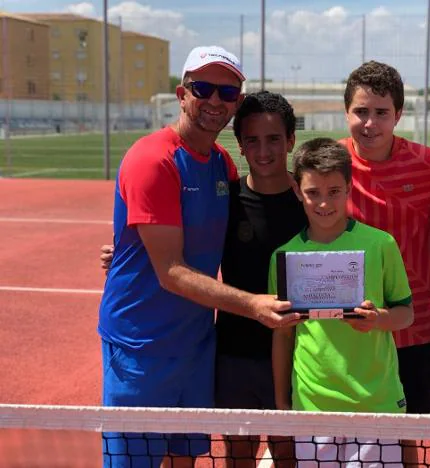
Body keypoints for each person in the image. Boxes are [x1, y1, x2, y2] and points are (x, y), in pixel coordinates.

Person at [98, 46, 298, 468]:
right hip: (141, 347)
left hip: (197, 345)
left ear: (237, 102)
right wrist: (253, 304)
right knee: (134, 461)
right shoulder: (152, 159)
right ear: (182, 93)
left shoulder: (221, 165)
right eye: (203, 88)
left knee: (182, 458)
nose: (214, 101)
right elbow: (170, 271)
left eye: (227, 92)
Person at [271, 138, 413, 467]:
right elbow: (283, 334)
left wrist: (378, 319)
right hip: (312, 404)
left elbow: (405, 314)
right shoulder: (284, 256)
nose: (324, 203)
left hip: (376, 402)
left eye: (334, 191)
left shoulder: (381, 244)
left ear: (349, 187)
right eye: (313, 192)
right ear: (297, 190)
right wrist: (282, 402)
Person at [215, 91, 306, 467]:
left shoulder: (310, 203)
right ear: (239, 146)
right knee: (238, 454)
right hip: (234, 354)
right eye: (252, 140)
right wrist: (124, 257)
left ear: (290, 141)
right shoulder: (225, 201)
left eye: (273, 139)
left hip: (297, 357)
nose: (263, 150)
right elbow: (182, 253)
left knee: (288, 453)